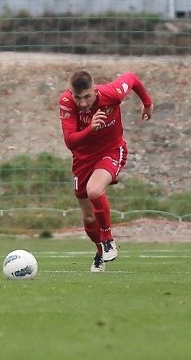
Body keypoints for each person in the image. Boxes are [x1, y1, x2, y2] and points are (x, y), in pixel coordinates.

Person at [58, 70, 154, 272]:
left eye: (87, 97)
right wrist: (90, 129)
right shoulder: (66, 102)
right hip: (82, 159)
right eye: (78, 98)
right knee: (88, 218)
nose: (83, 103)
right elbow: (70, 142)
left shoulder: (112, 93)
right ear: (71, 93)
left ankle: (108, 238)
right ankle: (100, 251)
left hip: (111, 150)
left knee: (94, 190)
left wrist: (147, 103)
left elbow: (132, 78)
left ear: (95, 89)